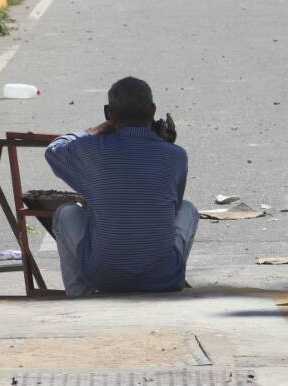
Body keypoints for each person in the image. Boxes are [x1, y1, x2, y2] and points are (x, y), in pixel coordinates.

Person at [45, 76, 198, 297]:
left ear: (109, 114)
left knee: (65, 212)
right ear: (153, 111)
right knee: (187, 210)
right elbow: (171, 209)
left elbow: (54, 149)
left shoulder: (92, 149)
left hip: (102, 276)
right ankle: (167, 281)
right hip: (162, 277)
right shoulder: (175, 156)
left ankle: (80, 296)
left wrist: (98, 129)